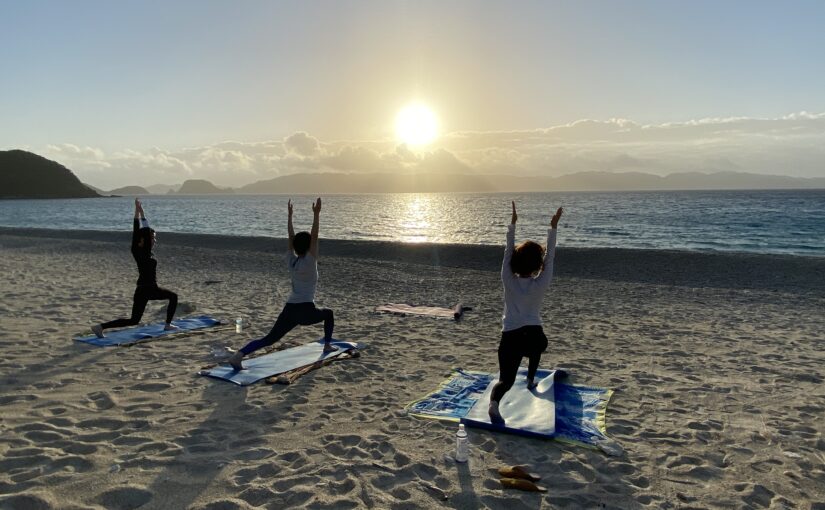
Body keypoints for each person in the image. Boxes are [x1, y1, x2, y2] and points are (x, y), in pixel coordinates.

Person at [226, 198, 336, 370]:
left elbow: (291, 238)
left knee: (269, 338)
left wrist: (290, 216)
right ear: (309, 247)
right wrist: (316, 214)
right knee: (329, 314)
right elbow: (314, 237)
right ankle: (327, 345)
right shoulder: (310, 261)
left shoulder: (291, 260)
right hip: (306, 310)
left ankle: (239, 355)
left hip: (289, 309)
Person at [488, 201, 563, 425]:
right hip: (534, 337)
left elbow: (506, 253)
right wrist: (553, 227)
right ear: (537, 265)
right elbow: (550, 258)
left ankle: (494, 404)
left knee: (506, 381)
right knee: (538, 346)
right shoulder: (541, 283)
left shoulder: (507, 279)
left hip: (510, 337)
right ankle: (531, 378)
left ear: (514, 262)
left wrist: (512, 225)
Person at [91, 199, 179, 337]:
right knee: (173, 297)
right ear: (146, 239)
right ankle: (167, 325)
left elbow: (142, 228)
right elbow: (137, 229)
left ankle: (100, 327)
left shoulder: (141, 250)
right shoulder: (141, 251)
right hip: (150, 288)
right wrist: (137, 213)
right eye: (153, 238)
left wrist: (140, 211)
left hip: (141, 290)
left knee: (134, 320)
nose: (155, 240)